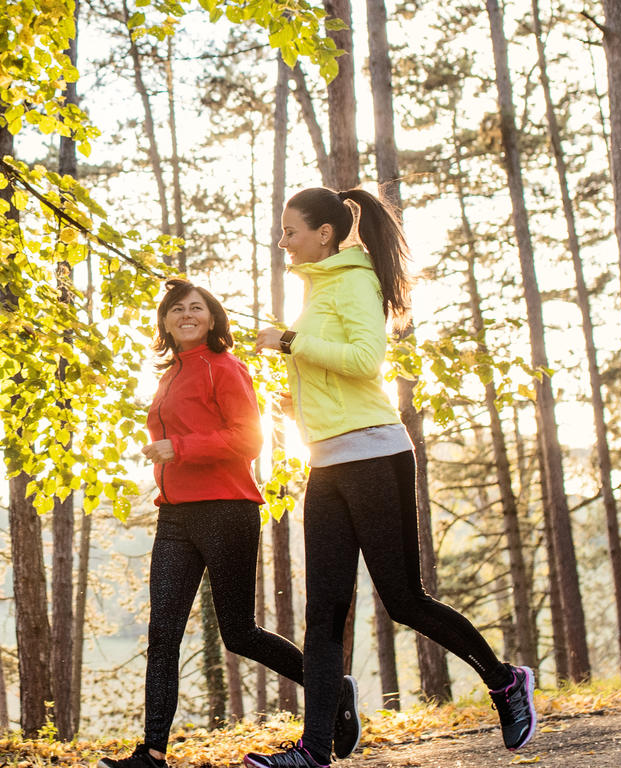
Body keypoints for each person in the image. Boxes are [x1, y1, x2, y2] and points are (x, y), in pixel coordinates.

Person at [240, 188, 538, 768]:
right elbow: (335, 374)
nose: (284, 241)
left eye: (291, 230)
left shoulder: (354, 281)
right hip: (326, 460)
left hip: (374, 454)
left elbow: (365, 361)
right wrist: (294, 394)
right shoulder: (320, 287)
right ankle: (314, 750)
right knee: (324, 610)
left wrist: (291, 342)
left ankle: (505, 681)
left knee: (402, 598)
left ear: (325, 233)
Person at [99, 279, 358, 768]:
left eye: (197, 307)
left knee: (238, 633)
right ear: (165, 322)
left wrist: (180, 448)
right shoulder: (169, 374)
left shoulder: (227, 368)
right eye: (177, 309)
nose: (186, 314)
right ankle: (152, 753)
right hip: (175, 515)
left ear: (213, 319)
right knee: (163, 632)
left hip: (226, 509)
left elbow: (248, 440)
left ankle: (332, 686)